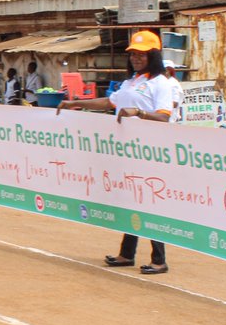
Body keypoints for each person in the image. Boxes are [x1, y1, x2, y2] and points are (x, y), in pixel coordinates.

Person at [58, 29, 174, 274]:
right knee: (132, 200)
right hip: (127, 152)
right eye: (133, 54)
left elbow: (164, 117)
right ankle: (126, 253)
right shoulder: (131, 82)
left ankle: (159, 259)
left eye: (141, 55)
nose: (135, 58)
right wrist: (75, 102)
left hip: (150, 152)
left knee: (149, 203)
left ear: (153, 56)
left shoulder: (160, 84)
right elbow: (109, 102)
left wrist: (139, 113)